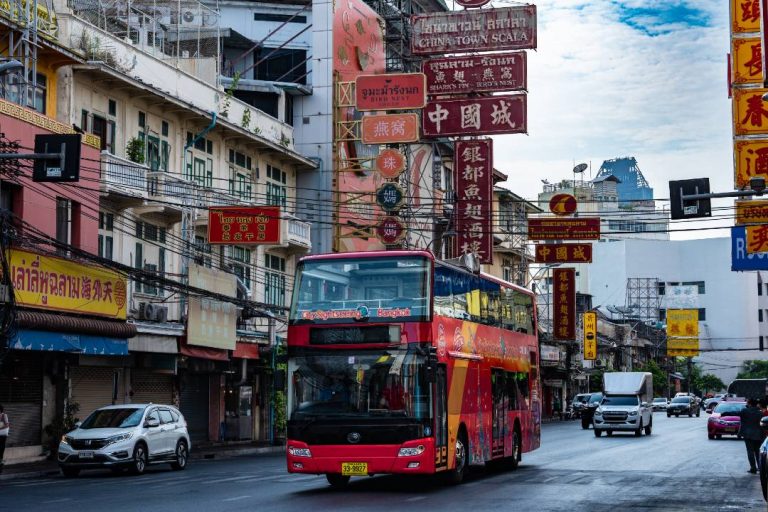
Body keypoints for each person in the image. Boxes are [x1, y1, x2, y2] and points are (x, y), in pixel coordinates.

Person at [737, 398, 763, 474]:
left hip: (748, 435)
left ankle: (753, 468)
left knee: (750, 451)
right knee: (757, 451)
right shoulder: (760, 413)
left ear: (750, 404)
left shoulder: (745, 411)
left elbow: (735, 413)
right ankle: (760, 467)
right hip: (758, 435)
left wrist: (724, 413)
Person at [0, 404, 8, 473]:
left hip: (3, 435)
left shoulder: (4, 415)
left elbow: (7, 425)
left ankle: (1, 463)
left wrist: (0, 428)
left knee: (1, 449)